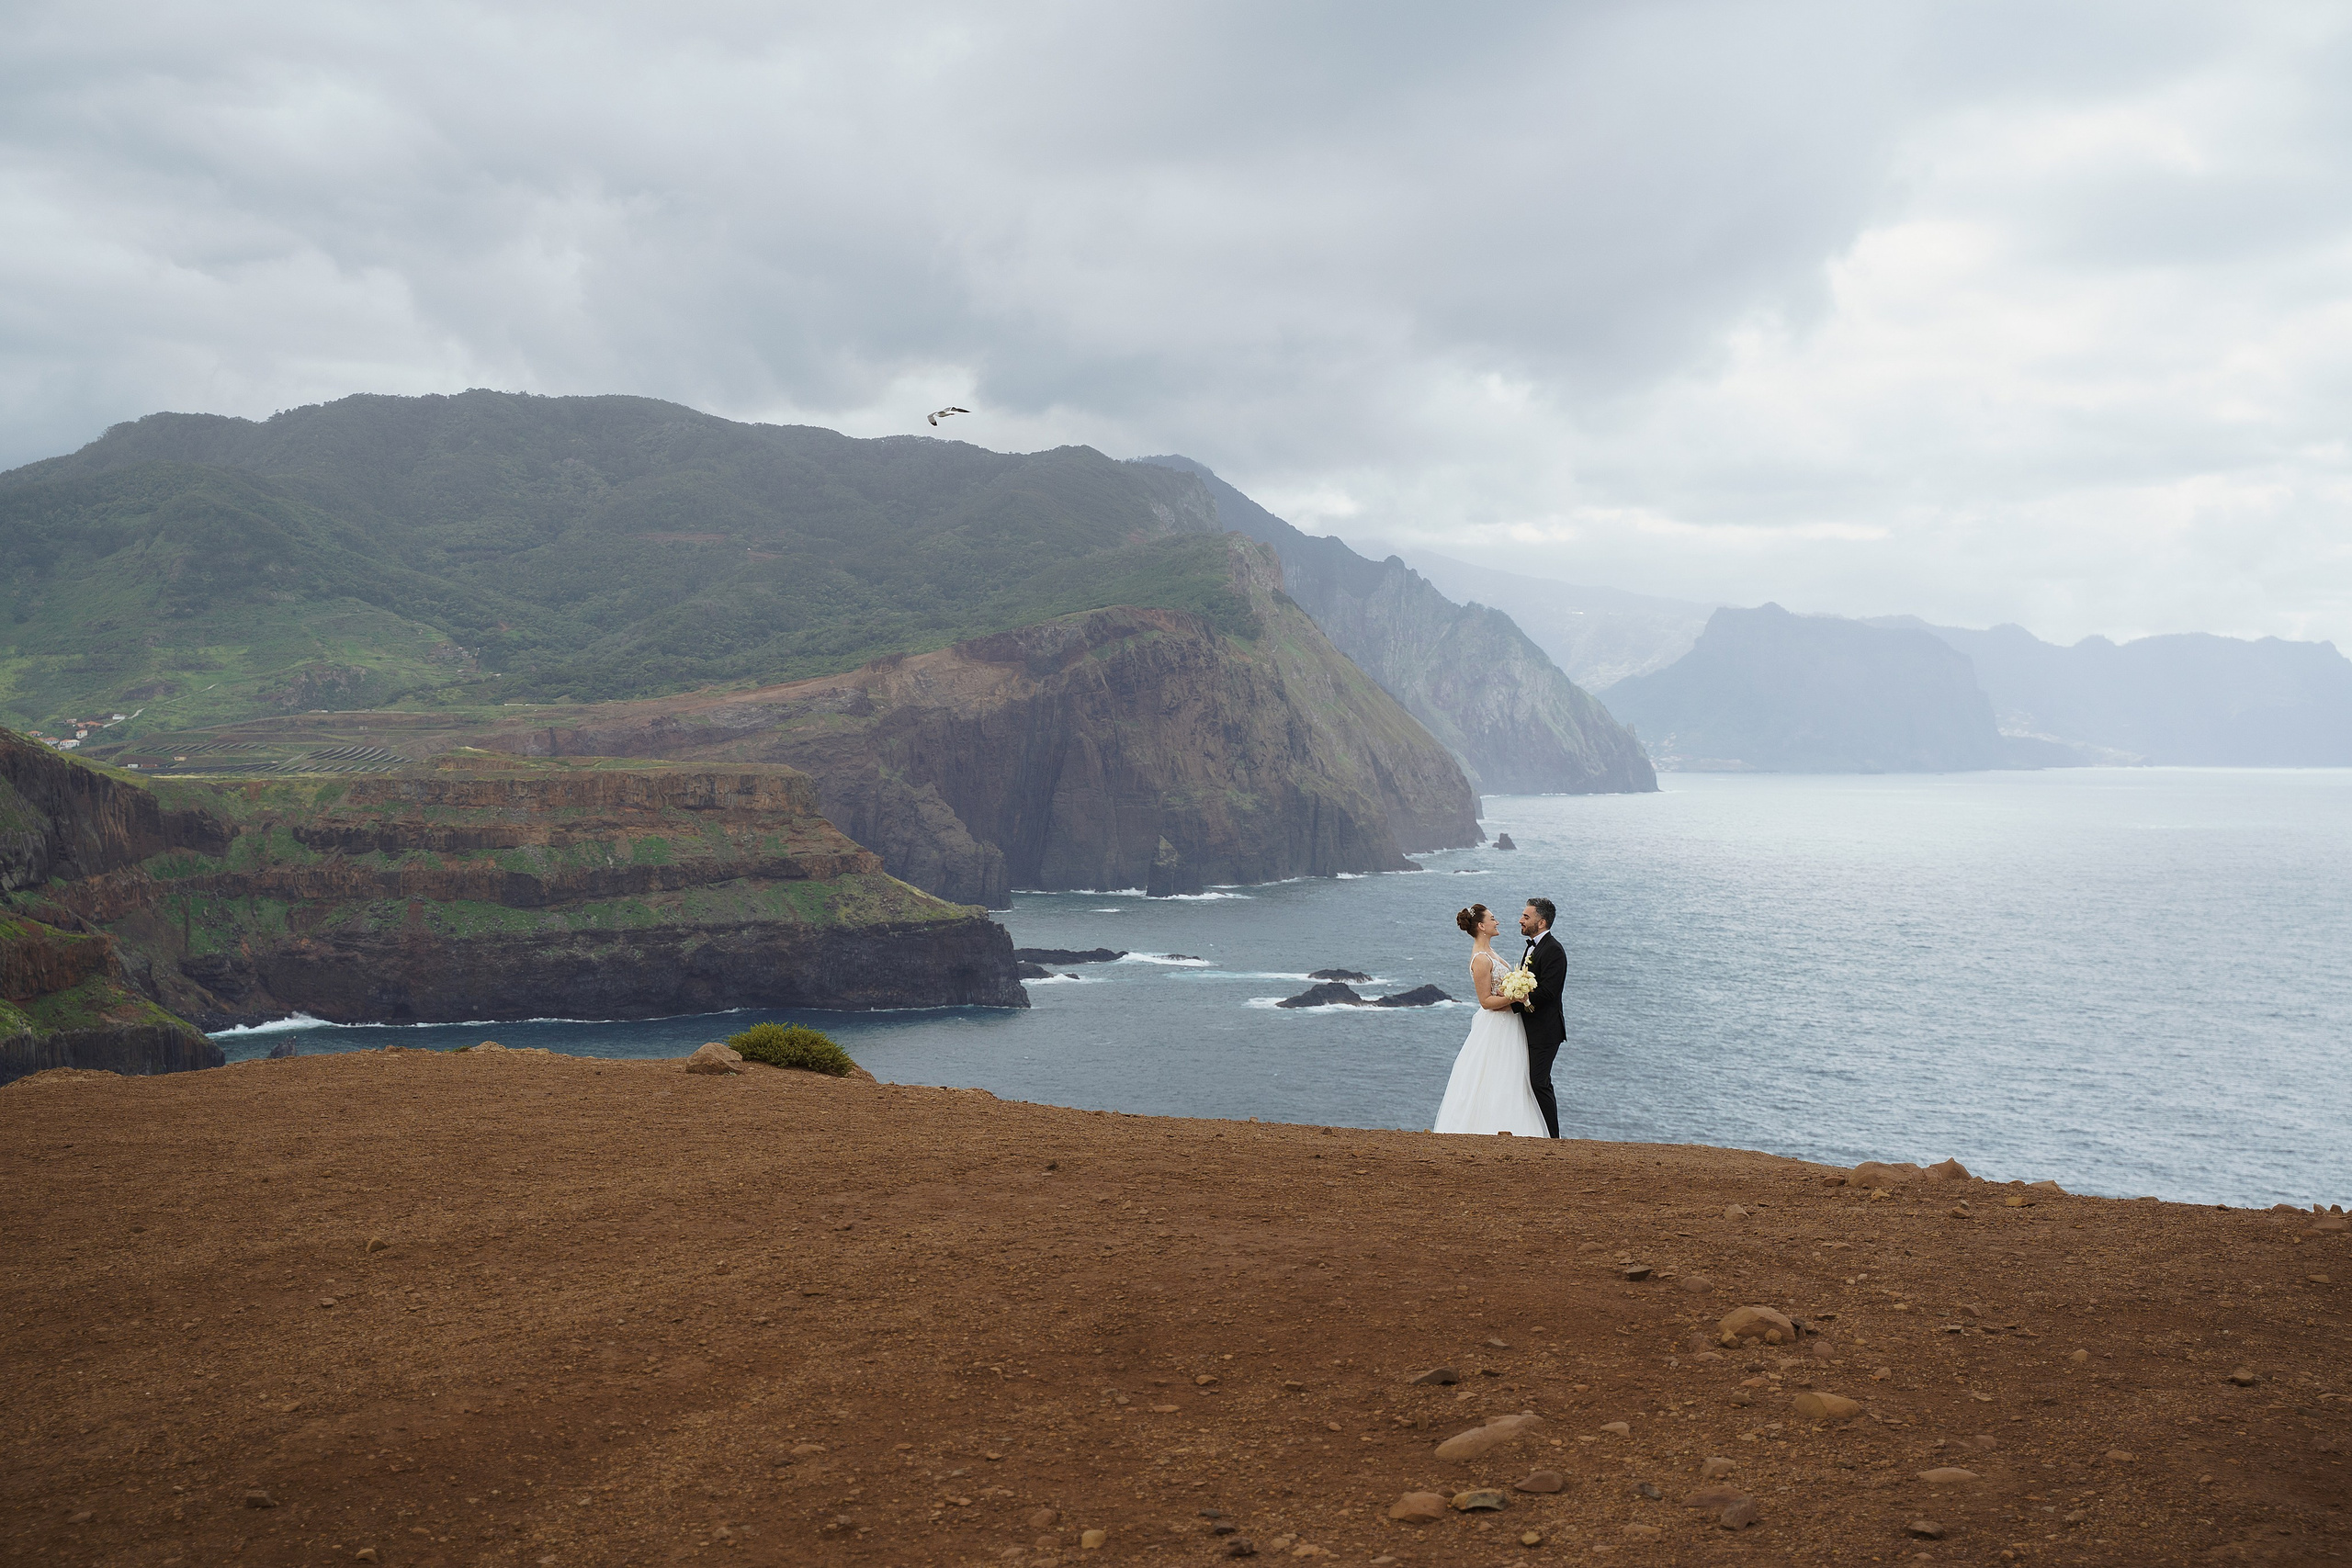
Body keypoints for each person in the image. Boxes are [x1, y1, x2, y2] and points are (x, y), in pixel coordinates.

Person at [1431, 903, 1549, 1136]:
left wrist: (1512, 993)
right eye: (1493, 919)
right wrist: (1515, 997)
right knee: (1497, 1077)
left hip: (1509, 1025)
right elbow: (1485, 1001)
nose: (1498, 922)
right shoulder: (1481, 959)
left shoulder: (1491, 953)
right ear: (1482, 926)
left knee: (1512, 1078)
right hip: (1496, 1026)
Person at [1510, 897, 1567, 1138]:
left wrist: (1514, 1000)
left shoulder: (1554, 950)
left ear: (1541, 922)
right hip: (1530, 1029)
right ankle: (1536, 1133)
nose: (1520, 920)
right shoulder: (1532, 946)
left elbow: (1548, 992)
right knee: (1530, 1082)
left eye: (1526, 917)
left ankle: (1553, 1138)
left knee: (1539, 1082)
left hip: (1546, 1032)